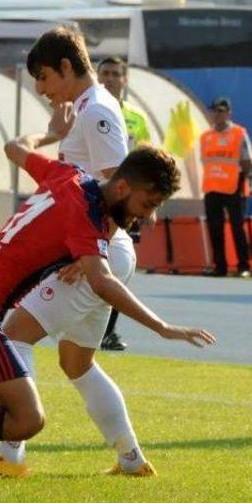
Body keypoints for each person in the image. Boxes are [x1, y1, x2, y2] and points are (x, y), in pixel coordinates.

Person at [0, 137, 214, 476]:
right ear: (122, 186)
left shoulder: (68, 174)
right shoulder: (87, 217)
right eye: (148, 204)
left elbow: (13, 149)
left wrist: (42, 137)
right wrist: (163, 328)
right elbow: (103, 281)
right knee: (27, 419)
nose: (149, 217)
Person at [96, 55, 152, 351]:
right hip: (95, 197)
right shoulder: (90, 110)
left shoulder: (136, 118)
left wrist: (149, 202)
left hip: (127, 204)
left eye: (116, 73)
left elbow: (146, 160)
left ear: (124, 79)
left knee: (121, 265)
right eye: (105, 72)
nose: (110, 78)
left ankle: (108, 330)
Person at [201, 97, 252, 278]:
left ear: (228, 113)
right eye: (214, 110)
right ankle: (219, 267)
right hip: (212, 187)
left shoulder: (239, 133)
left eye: (221, 111)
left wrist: (240, 180)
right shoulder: (205, 136)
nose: (217, 114)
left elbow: (248, 161)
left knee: (237, 228)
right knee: (215, 229)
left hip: (233, 187)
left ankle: (243, 266)